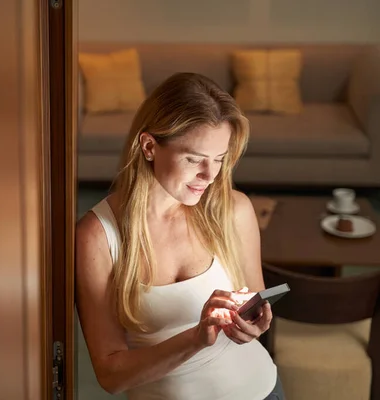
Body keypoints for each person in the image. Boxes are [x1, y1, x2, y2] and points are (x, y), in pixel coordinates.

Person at [75, 72, 284, 400]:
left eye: (219, 159)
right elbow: (111, 376)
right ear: (148, 147)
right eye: (194, 159)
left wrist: (255, 325)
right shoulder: (98, 236)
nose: (210, 175)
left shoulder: (234, 210)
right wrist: (197, 337)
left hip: (263, 391)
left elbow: (255, 306)